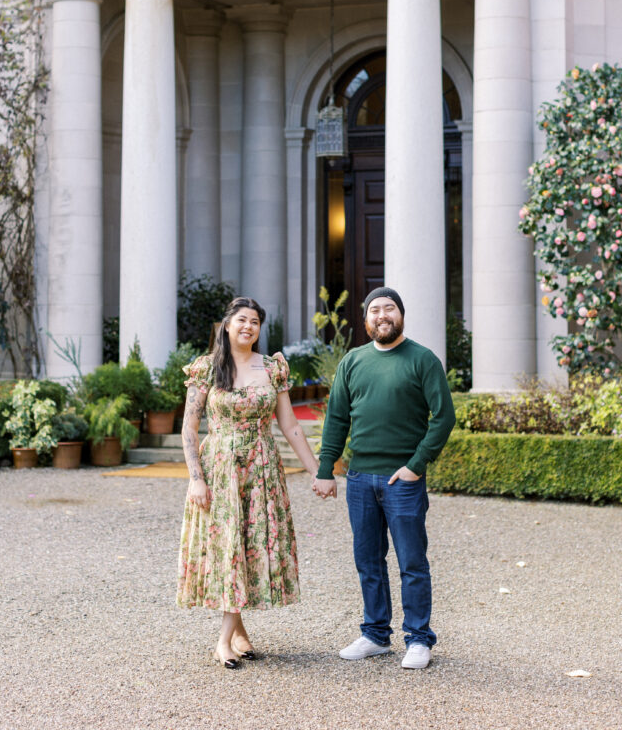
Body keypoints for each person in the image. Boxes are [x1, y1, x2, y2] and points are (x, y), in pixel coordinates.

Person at [313, 287, 455, 670]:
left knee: (412, 561)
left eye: (388, 308)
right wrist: (326, 469)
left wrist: (416, 465)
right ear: (366, 320)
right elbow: (337, 419)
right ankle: (375, 635)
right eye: (374, 310)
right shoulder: (353, 362)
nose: (381, 315)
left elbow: (443, 418)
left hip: (402, 481)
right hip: (359, 478)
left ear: (401, 315)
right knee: (368, 561)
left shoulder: (422, 360)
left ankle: (419, 639)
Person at [176, 296, 320, 668]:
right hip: (219, 468)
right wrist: (196, 478)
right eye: (241, 320)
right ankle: (224, 640)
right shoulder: (207, 368)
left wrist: (318, 470)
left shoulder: (272, 369)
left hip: (261, 469)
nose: (248, 327)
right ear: (227, 325)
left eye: (255, 322)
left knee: (249, 545)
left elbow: (289, 426)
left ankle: (237, 632)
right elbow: (189, 428)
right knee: (227, 546)